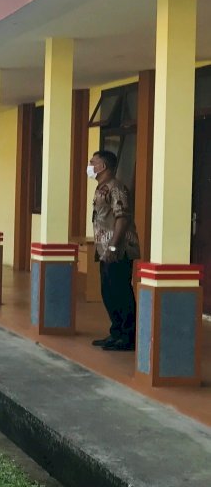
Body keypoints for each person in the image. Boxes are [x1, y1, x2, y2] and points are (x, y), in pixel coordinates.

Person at [89, 150, 141, 351]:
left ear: (102, 167)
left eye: (93, 162)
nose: (90, 166)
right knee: (108, 292)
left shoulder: (116, 188)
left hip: (119, 250)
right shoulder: (101, 188)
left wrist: (112, 246)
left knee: (120, 292)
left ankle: (128, 337)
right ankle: (116, 332)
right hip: (105, 250)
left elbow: (122, 218)